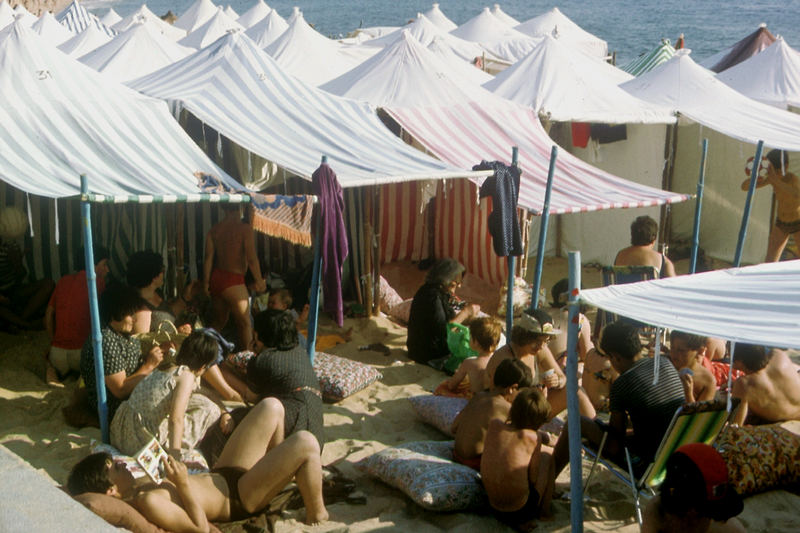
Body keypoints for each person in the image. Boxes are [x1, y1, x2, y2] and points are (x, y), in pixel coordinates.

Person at [67, 398, 328, 529]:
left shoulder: (140, 488)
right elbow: (201, 529)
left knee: (271, 406)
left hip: (225, 473)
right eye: (114, 468)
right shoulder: (148, 502)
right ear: (110, 491)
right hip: (238, 498)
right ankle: (318, 515)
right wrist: (182, 483)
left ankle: (277, 473)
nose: (122, 465)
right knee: (305, 441)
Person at [552, 321, 685, 478]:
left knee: (576, 422)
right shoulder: (665, 363)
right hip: (676, 454)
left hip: (644, 462)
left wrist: (594, 434)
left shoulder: (623, 384)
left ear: (615, 357)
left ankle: (549, 478)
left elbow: (614, 445)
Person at [110, 330, 232, 458]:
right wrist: (175, 456)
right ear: (203, 367)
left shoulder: (168, 369)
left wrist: (224, 410)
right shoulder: (186, 376)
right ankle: (179, 449)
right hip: (138, 441)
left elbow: (202, 393)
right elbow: (175, 419)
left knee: (204, 402)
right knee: (211, 410)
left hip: (120, 430)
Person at [486, 309, 596, 421]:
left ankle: (596, 429)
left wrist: (557, 382)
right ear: (523, 336)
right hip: (510, 413)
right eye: (538, 341)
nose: (542, 346)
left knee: (575, 390)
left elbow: (563, 378)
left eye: (546, 341)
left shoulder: (539, 351)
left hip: (533, 405)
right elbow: (496, 399)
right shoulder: (504, 358)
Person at [80, 285, 163, 421]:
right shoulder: (106, 340)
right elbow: (120, 390)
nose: (134, 319)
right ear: (116, 313)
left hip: (131, 398)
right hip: (115, 409)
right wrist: (149, 366)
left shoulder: (123, 335)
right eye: (130, 314)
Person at [246, 309, 324, 448]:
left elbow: (251, 396)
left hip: (291, 436)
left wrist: (253, 354)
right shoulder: (300, 353)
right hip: (316, 440)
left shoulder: (264, 360)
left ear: (258, 336)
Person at [481, 387, 555, 531]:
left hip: (492, 505)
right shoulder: (533, 437)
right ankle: (545, 512)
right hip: (519, 512)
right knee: (548, 458)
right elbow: (533, 478)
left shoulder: (495, 425)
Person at [642, 443, 745, 533]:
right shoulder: (656, 514)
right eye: (702, 513)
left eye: (709, 515)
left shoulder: (722, 527)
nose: (709, 519)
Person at [204, 203, 266, 351]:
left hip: (217, 277)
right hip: (233, 279)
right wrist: (259, 281)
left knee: (219, 321)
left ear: (223, 207)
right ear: (241, 207)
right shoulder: (244, 229)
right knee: (245, 322)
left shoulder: (214, 230)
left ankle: (202, 349)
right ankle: (248, 359)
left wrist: (206, 282)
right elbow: (251, 259)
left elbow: (208, 258)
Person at [452, 359, 534, 470]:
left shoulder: (479, 396)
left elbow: (454, 427)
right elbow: (527, 431)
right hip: (473, 462)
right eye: (521, 393)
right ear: (512, 388)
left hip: (456, 454)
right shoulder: (505, 407)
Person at [45, 246, 110, 385]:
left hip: (57, 354)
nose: (107, 270)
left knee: (49, 358)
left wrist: (53, 341)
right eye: (104, 265)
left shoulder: (63, 281)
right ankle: (79, 375)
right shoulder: (98, 283)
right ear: (92, 265)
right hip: (81, 354)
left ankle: (52, 370)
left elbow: (48, 315)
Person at [406, 258, 480, 366]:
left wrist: (470, 319)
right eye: (455, 282)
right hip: (425, 353)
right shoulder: (431, 296)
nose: (459, 285)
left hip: (426, 347)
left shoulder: (440, 292)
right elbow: (445, 330)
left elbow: (448, 321)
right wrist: (465, 312)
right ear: (444, 279)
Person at [740, 149, 800, 262]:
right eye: (771, 171)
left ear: (785, 167)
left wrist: (775, 179)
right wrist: (756, 176)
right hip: (782, 223)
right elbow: (744, 187)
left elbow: (796, 194)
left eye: (776, 171)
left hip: (798, 222)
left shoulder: (792, 179)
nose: (774, 174)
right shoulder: (772, 179)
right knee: (770, 260)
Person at [731, 343, 800, 425]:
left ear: (739, 361)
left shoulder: (743, 384)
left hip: (785, 424)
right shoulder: (779, 355)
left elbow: (736, 423)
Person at [437, 316, 503, 396]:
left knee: (442, 387)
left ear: (476, 342)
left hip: (474, 401)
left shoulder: (469, 362)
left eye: (470, 336)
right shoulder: (499, 360)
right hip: (490, 400)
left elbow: (452, 385)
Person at [126, 250, 171, 334]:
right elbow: (144, 341)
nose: (164, 274)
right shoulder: (139, 309)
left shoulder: (158, 293)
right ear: (154, 276)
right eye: (162, 271)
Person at [668, 331, 717, 403]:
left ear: (700, 351)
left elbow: (699, 413)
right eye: (672, 348)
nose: (674, 354)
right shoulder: (666, 363)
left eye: (681, 350)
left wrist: (688, 393)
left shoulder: (708, 380)